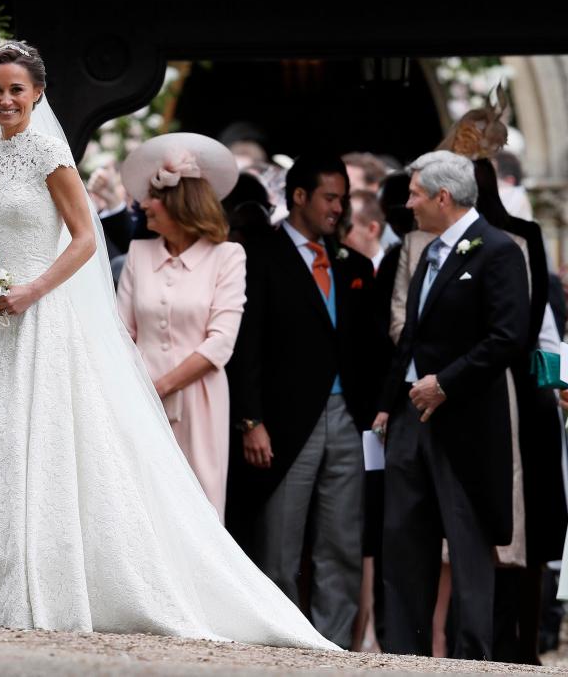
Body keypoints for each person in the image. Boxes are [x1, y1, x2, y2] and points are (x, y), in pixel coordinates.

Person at [0, 41, 337, 650]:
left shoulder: (48, 151)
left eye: (16, 89)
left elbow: (85, 239)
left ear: (37, 93)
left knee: (55, 441)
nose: (5, 100)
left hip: (46, 312)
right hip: (6, 319)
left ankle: (63, 582)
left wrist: (31, 290)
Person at [373, 150, 529, 660]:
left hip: (466, 421)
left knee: (466, 543)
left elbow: (508, 336)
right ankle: (404, 654)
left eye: (415, 193)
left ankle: (473, 659)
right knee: (402, 540)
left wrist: (446, 384)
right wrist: (386, 403)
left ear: (443, 197)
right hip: (410, 419)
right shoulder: (427, 251)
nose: (408, 202)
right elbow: (412, 337)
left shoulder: (499, 250)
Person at [226, 154, 383, 648]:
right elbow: (245, 344)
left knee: (341, 543)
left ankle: (331, 647)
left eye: (344, 199)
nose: (339, 209)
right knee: (278, 544)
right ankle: (280, 643)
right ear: (299, 197)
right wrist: (251, 419)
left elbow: (372, 346)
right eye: (330, 198)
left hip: (347, 419)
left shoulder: (354, 264)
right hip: (284, 421)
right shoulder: (257, 252)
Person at [115, 133, 246, 518]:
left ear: (179, 203)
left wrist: (162, 387)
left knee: (199, 507)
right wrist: (139, 392)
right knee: (143, 505)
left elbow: (220, 343)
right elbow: (122, 332)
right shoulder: (139, 253)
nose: (142, 205)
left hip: (199, 400)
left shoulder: (227, 257)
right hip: (139, 398)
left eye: (152, 197)